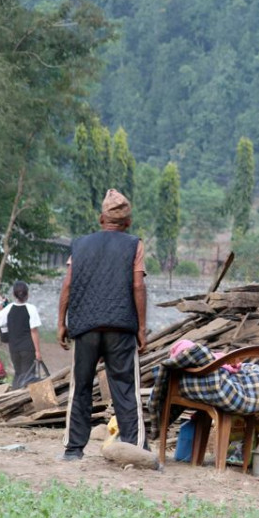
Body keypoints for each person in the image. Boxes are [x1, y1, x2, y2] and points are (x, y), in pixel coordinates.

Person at [57, 189, 148, 462]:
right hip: (121, 326)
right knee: (124, 388)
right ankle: (135, 449)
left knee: (81, 387)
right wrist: (141, 328)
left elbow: (68, 285)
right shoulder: (135, 244)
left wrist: (61, 322)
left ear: (101, 219)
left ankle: (73, 450)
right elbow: (138, 286)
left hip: (84, 325)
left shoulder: (80, 245)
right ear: (128, 223)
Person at [0, 282, 43, 389]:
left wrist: (1, 303)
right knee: (28, 376)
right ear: (27, 294)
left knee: (18, 374)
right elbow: (34, 331)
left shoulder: (9, 308)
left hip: (14, 348)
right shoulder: (31, 309)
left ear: (14, 295)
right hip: (28, 348)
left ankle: (13, 396)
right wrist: (38, 351)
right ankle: (25, 401)